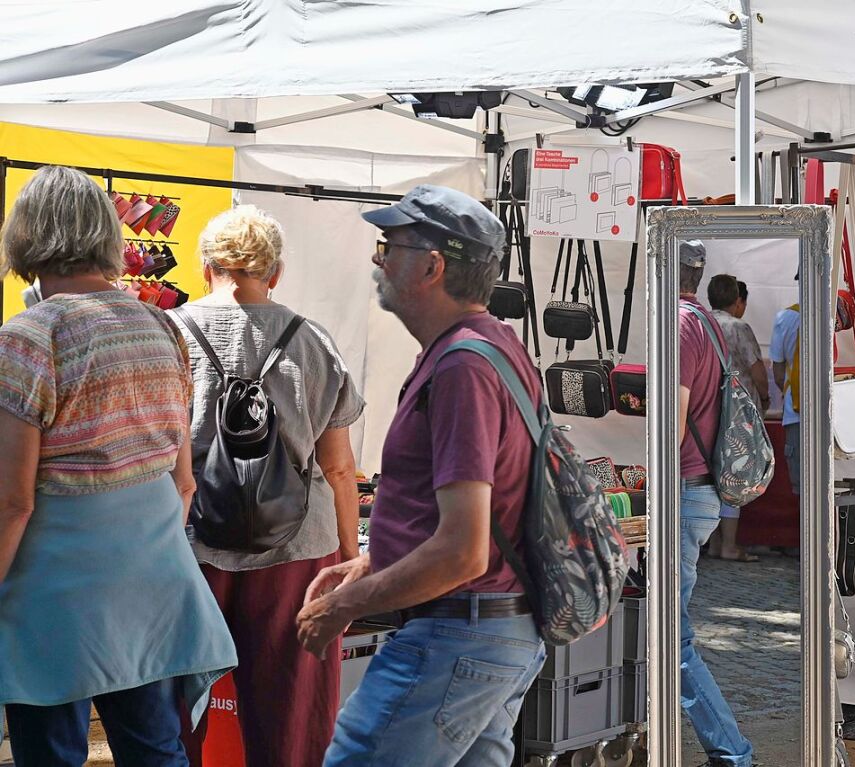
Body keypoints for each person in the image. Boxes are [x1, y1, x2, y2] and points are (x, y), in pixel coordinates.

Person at [297, 185, 545, 767]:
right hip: (483, 632)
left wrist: (345, 605)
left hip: (458, 635)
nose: (378, 259)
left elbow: (463, 552)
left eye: (391, 245)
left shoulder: (463, 366)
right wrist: (372, 559)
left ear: (433, 265)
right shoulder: (488, 346)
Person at [0, 165, 236, 766]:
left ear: (26, 237)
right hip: (151, 581)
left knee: (51, 752)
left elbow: (14, 502)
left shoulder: (27, 338)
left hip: (55, 589)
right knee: (154, 747)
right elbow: (183, 480)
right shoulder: (161, 326)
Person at [172, 205, 365, 767]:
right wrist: (349, 559)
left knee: (181, 702)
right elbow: (336, 467)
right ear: (275, 273)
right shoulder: (312, 341)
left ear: (205, 266)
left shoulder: (172, 334)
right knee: (293, 707)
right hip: (299, 547)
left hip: (193, 544)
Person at [677, 242, 755, 767]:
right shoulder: (706, 320)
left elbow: (673, 418)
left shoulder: (683, 325)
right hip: (700, 488)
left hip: (683, 490)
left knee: (671, 638)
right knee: (660, 628)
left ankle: (732, 752)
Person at [705, 273, 770, 562]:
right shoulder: (738, 327)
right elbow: (757, 371)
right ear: (736, 299)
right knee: (734, 474)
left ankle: (715, 542)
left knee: (709, 475)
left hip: (703, 408)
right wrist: (765, 399)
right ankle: (729, 545)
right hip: (736, 412)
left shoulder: (699, 322)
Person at [770, 303, 801, 497]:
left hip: (795, 411)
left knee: (800, 485)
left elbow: (778, 371)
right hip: (831, 413)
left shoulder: (785, 318)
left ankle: (806, 527)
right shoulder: (832, 311)